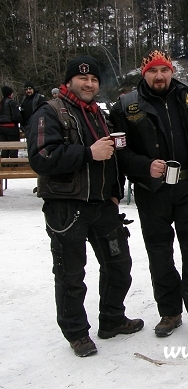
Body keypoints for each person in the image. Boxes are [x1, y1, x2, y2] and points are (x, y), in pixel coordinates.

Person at [27, 55, 143, 358]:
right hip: (67, 207)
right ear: (69, 82)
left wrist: (116, 192)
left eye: (93, 79)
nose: (89, 83)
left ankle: (112, 319)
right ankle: (76, 333)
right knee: (70, 275)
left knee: (119, 265)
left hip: (103, 205)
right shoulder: (49, 112)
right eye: (83, 79)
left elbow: (113, 156)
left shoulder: (98, 115)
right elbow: (41, 157)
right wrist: (88, 153)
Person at [110, 49, 188, 344]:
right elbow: (119, 152)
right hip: (152, 192)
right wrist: (144, 166)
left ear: (172, 71)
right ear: (143, 73)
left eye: (164, 70)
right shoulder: (126, 106)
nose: (159, 76)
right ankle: (170, 312)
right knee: (160, 255)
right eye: (152, 71)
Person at [0, 86, 23, 158]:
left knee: (5, 147)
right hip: (11, 127)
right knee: (14, 146)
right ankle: (13, 164)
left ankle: (5, 164)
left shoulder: (1, 103)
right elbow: (16, 116)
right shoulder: (12, 102)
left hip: (1, 128)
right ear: (10, 94)